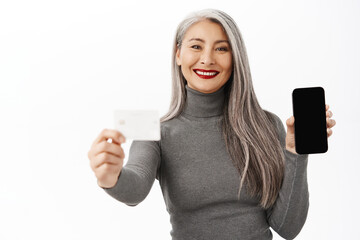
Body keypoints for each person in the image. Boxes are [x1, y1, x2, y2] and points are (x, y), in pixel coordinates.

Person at [87, 9, 336, 240]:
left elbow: (288, 228)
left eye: (221, 49)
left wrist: (296, 152)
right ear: (178, 54)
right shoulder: (154, 129)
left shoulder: (266, 124)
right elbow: (134, 190)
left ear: (235, 58)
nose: (206, 60)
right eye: (196, 46)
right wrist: (111, 178)